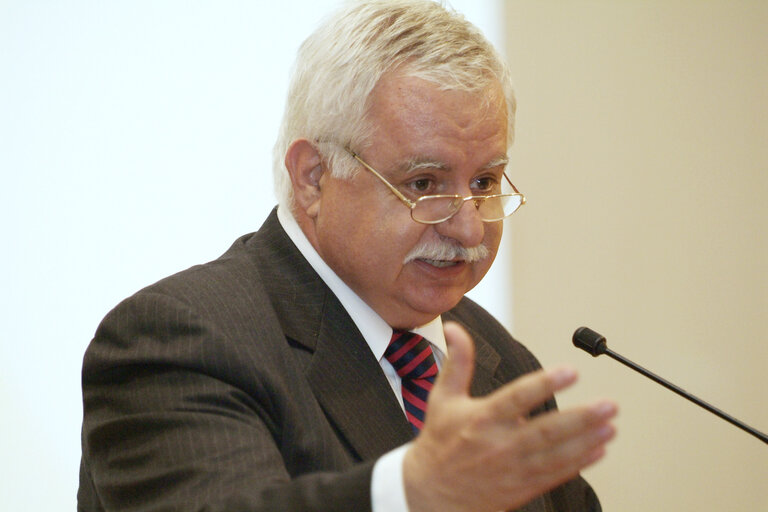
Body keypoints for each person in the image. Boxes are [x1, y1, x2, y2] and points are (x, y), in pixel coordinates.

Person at [78, 1, 618, 511]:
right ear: (314, 178)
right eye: (424, 182)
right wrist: (411, 493)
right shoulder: (179, 339)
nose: (469, 224)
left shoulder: (499, 360)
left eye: (483, 181)